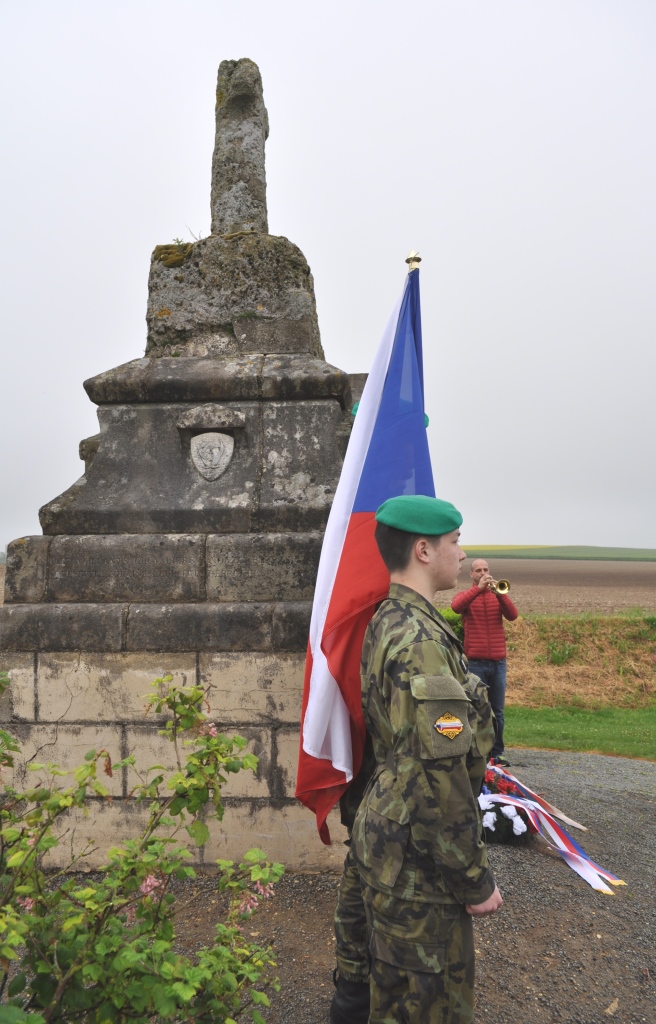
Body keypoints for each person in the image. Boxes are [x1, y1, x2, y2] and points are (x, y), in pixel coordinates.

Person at [331, 494, 501, 1024]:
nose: (462, 551)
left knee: (376, 986)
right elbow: (441, 776)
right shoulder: (422, 641)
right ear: (424, 551)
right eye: (454, 542)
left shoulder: (388, 618)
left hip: (386, 833)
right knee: (428, 1003)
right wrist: (474, 879)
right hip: (418, 863)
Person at [451, 559, 519, 766]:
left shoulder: (497, 595)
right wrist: (478, 590)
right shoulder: (467, 596)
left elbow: (513, 616)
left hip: (498, 662)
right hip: (477, 662)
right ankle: (475, 751)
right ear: (471, 574)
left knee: (497, 710)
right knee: (475, 708)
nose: (483, 573)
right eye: (478, 570)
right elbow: (455, 606)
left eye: (486, 570)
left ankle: (497, 753)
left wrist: (501, 596)